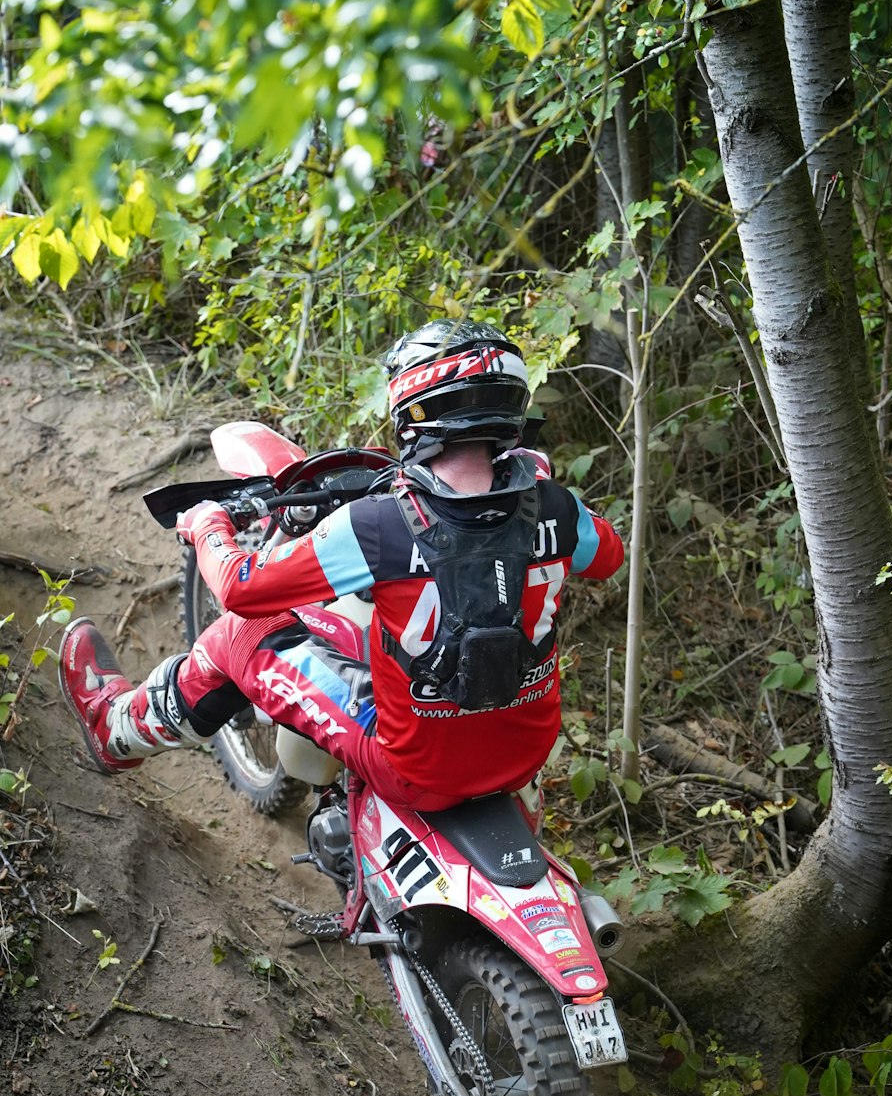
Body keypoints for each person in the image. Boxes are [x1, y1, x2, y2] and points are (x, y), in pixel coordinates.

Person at [59, 321, 624, 813]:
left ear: (412, 407)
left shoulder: (377, 525)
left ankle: (119, 731)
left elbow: (239, 588)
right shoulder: (555, 507)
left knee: (240, 635)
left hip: (417, 771)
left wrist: (208, 525)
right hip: (524, 753)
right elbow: (609, 557)